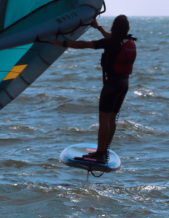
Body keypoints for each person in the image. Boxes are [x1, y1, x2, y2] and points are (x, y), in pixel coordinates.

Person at [52, 14, 136, 163]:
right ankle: (105, 152)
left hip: (112, 85)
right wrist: (98, 27)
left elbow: (85, 44)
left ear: (114, 28)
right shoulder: (127, 41)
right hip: (124, 84)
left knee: (104, 120)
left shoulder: (111, 42)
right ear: (126, 29)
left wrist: (62, 44)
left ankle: (100, 153)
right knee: (111, 119)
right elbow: (111, 38)